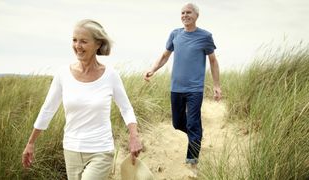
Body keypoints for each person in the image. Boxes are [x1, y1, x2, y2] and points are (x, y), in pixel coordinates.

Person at [22, 19, 142, 180]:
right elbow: (48, 109)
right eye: (74, 40)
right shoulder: (62, 74)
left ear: (98, 44)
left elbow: (126, 108)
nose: (77, 46)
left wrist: (134, 136)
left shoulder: (110, 75)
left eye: (84, 41)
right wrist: (31, 142)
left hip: (101, 150)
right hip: (71, 149)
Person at [144, 3, 222, 177]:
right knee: (178, 123)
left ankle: (192, 162)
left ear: (196, 15)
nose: (185, 15)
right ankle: (197, 136)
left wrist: (217, 85)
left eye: (188, 12)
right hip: (176, 88)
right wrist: (153, 69)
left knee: (193, 123)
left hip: (195, 88)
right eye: (182, 13)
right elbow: (165, 56)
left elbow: (213, 61)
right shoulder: (175, 34)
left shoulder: (205, 36)